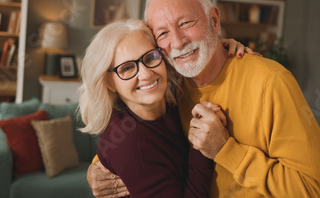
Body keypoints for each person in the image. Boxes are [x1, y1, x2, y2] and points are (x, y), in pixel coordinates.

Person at [88, 0, 320, 198]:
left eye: (185, 22)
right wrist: (97, 167)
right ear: (158, 47)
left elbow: (318, 193)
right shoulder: (171, 86)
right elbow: (138, 141)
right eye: (163, 33)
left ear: (214, 20)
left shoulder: (270, 82)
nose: (177, 41)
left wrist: (227, 150)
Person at [79, 19, 247, 197]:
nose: (146, 74)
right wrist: (201, 149)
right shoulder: (132, 146)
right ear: (109, 83)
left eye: (150, 57)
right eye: (127, 68)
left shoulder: (172, 101)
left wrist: (219, 48)